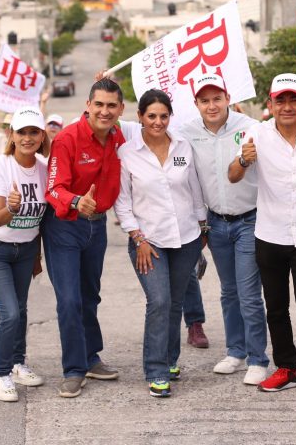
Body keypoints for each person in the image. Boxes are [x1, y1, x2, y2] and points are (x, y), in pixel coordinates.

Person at [228, 73, 296, 407]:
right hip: (270, 234)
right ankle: (286, 368)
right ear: (270, 105)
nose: (287, 106)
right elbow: (233, 175)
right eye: (281, 100)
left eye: (294, 100)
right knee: (275, 309)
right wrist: (244, 159)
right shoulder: (256, 134)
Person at [177, 73, 269, 385]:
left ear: (228, 98)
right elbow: (148, 130)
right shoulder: (187, 132)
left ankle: (258, 359)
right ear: (196, 104)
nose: (212, 105)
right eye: (205, 100)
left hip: (249, 220)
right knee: (228, 291)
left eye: (217, 98)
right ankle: (236, 351)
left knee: (248, 292)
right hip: (215, 222)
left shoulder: (251, 128)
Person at [114, 89, 206, 397]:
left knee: (176, 303)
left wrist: (202, 227)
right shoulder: (127, 153)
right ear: (139, 117)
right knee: (159, 301)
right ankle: (155, 369)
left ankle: (170, 360)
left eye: (163, 116)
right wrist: (137, 237)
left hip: (186, 238)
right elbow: (123, 204)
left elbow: (194, 190)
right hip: (147, 242)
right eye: (151, 116)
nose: (157, 122)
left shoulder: (182, 146)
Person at [43, 78, 125, 398]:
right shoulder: (67, 139)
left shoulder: (120, 136)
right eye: (99, 105)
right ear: (88, 105)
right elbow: (53, 188)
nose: (104, 112)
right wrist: (77, 200)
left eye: (111, 106)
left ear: (121, 109)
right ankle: (73, 368)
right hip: (65, 225)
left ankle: (91, 357)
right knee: (69, 300)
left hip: (98, 226)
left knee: (91, 296)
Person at [0, 106, 50, 402]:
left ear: (42, 136)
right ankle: (2, 373)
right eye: (22, 132)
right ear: (11, 136)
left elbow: (42, 219)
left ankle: (18, 363)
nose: (28, 138)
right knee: (10, 312)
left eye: (33, 132)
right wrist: (13, 206)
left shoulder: (43, 168)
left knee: (21, 308)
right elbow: (0, 217)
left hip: (25, 248)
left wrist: (37, 255)